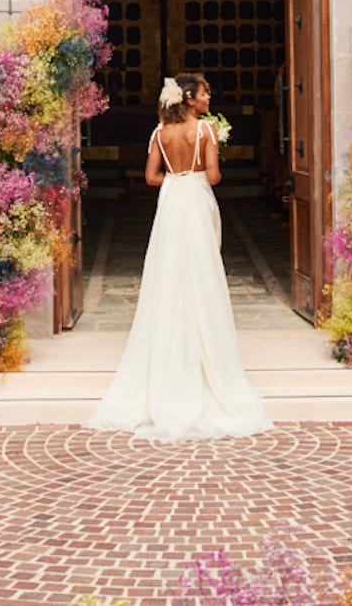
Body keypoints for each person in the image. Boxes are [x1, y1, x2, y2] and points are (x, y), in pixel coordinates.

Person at [87, 72, 272, 439]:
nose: (209, 98)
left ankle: (169, 346)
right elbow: (215, 177)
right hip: (198, 199)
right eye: (205, 93)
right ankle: (206, 352)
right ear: (189, 98)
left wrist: (177, 178)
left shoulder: (159, 132)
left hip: (172, 202)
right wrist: (203, 167)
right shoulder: (205, 131)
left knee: (169, 270)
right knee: (201, 269)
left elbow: (151, 177)